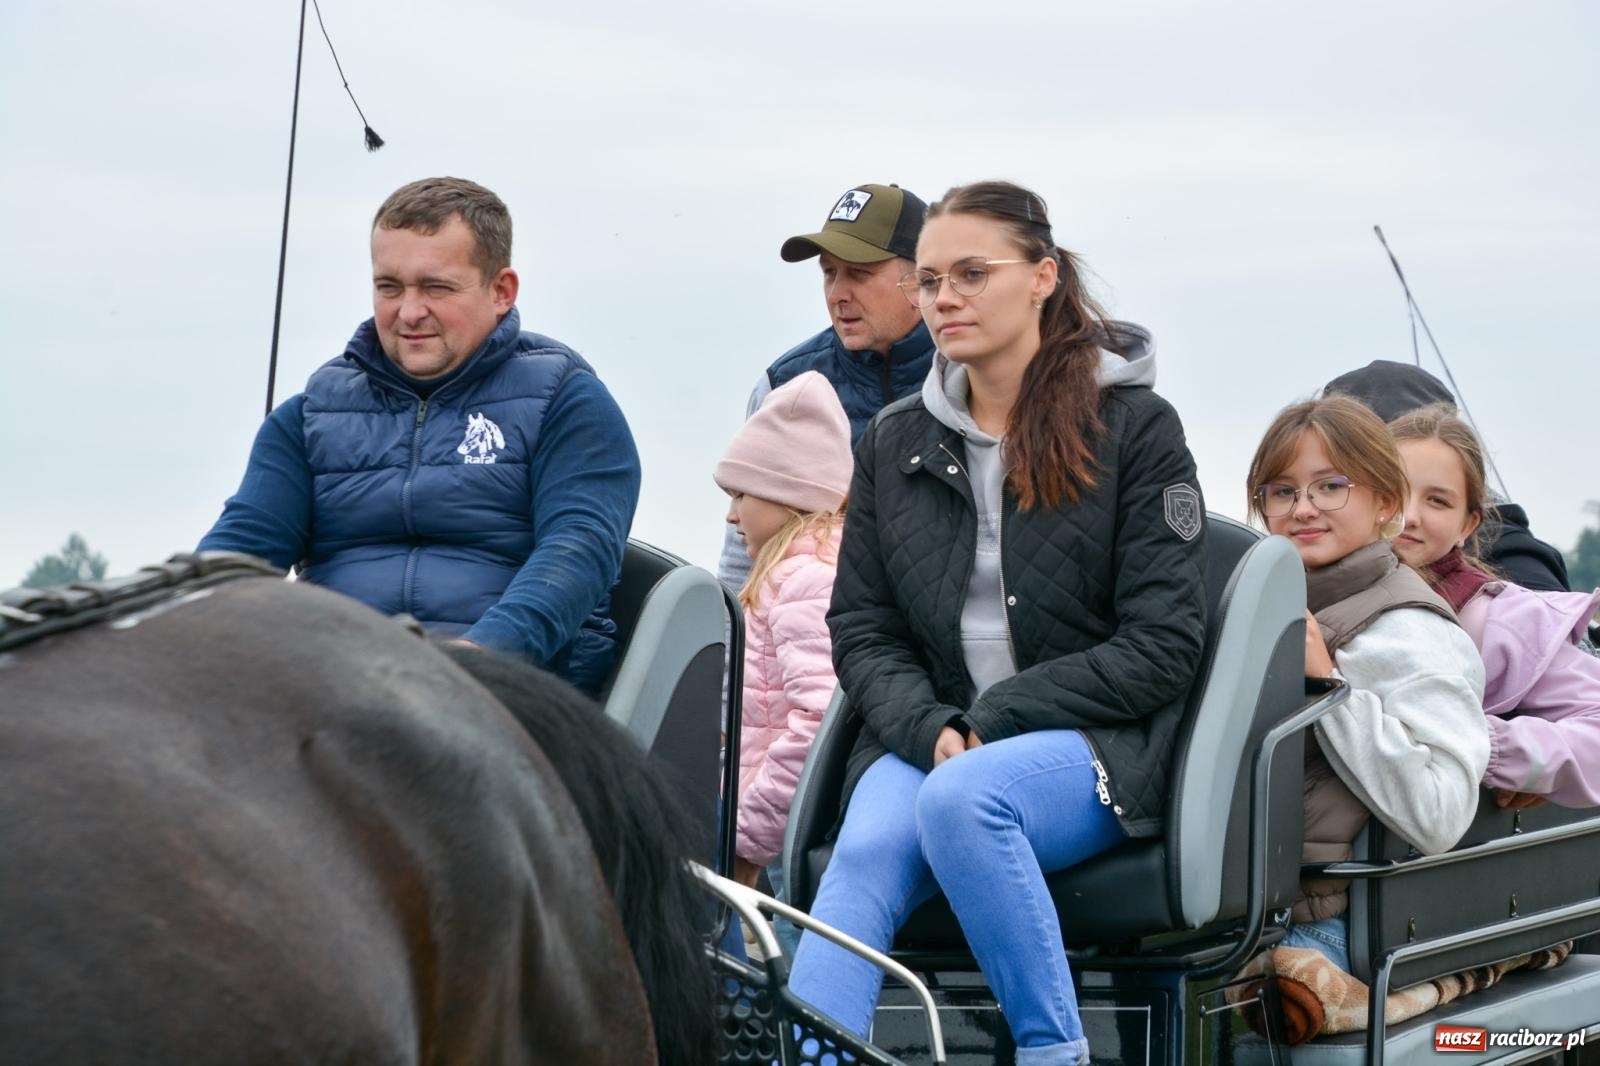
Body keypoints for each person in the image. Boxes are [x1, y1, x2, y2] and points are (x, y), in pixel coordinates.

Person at [787, 180, 1208, 1065]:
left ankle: (1055, 1053)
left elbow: (1164, 644)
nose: (946, 298)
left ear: (1044, 277)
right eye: (932, 280)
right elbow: (862, 627)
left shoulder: (1137, 429)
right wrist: (930, 724)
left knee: (967, 799)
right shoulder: (893, 441)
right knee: (863, 855)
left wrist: (992, 720)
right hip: (933, 739)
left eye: (972, 274)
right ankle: (809, 1056)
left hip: (1092, 746)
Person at [199, 177, 640, 695]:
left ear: (501, 291)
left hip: (511, 698)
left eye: (436, 287)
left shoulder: (567, 404)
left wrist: (481, 658)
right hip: (331, 685)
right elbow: (238, 553)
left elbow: (578, 552)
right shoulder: (310, 415)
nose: (408, 312)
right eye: (389, 287)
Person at [1245, 395, 1488, 972]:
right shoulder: (1255, 605)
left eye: (1331, 486)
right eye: (1282, 491)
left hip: (1327, 933)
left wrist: (1327, 686)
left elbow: (1441, 812)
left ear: (1385, 503)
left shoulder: (1408, 627)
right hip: (1236, 917)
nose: (1303, 508)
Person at [715, 183, 937, 597]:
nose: (837, 294)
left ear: (920, 278)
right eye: (829, 273)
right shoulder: (785, 384)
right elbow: (739, 557)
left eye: (860, 273)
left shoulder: (973, 371)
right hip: (817, 639)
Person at [1388, 403, 1600, 809]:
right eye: (1392, 491)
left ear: (1468, 525)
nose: (1409, 516)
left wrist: (1489, 748)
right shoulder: (1307, 586)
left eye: (1437, 501)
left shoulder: (1502, 618)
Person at [713, 370, 851, 958]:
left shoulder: (804, 581)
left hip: (785, 849)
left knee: (784, 991)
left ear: (787, 493)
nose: (731, 518)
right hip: (777, 837)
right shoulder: (798, 575)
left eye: (741, 495)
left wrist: (745, 839)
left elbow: (814, 726)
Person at [1322, 360, 1570, 592]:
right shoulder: (1310, 543)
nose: (1408, 516)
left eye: (1437, 499)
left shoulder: (1507, 556)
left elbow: (1563, 631)